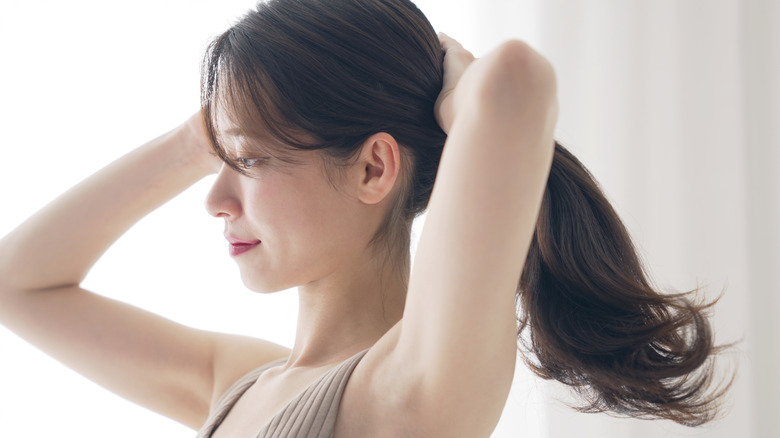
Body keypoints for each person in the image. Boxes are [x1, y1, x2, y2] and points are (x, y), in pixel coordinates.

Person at [0, 0, 729, 436]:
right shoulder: (238, 385)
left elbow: (516, 83)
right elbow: (18, 284)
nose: (215, 199)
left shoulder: (412, 381)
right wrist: (205, 134)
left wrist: (446, 68)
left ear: (375, 168)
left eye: (250, 162)